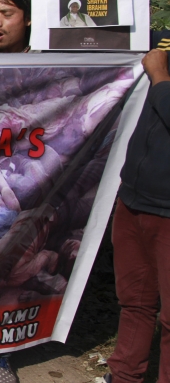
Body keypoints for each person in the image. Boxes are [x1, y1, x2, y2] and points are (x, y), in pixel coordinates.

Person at [106, 48, 170, 383]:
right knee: (135, 301)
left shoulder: (161, 68)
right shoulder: (162, 46)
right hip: (135, 199)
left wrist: (159, 76)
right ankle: (124, 376)